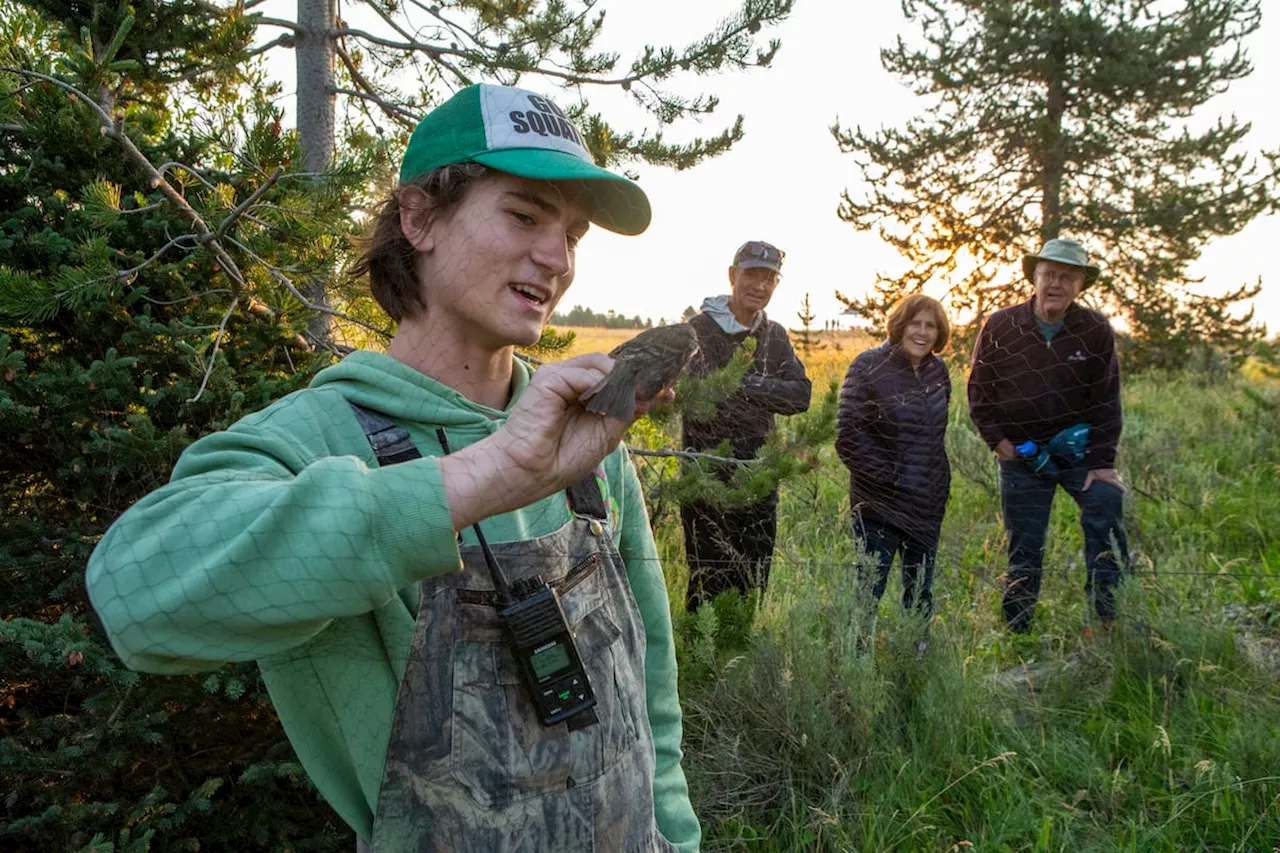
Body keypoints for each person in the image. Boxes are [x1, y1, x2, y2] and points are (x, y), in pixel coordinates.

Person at [86, 84, 700, 853]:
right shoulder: (313, 437)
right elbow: (133, 597)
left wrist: (677, 838)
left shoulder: (586, 435)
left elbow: (651, 696)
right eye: (523, 215)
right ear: (419, 217)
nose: (558, 258)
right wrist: (490, 475)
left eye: (573, 233)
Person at [968, 237, 1129, 633]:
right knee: (1025, 545)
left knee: (1106, 505)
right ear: (1034, 277)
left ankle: (1106, 616)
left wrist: (1103, 462)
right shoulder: (1001, 325)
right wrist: (997, 441)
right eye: (1049, 274)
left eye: (1067, 277)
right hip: (1022, 456)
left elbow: (1107, 398)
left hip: (1078, 454)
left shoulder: (1094, 330)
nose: (1056, 283)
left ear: (1080, 286)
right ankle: (1018, 632)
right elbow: (979, 388)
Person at [680, 240, 811, 612]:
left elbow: (800, 395)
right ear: (732, 276)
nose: (761, 286)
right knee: (707, 580)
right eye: (752, 275)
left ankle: (739, 659)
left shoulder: (775, 334)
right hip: (706, 477)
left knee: (753, 580)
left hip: (758, 477)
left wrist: (740, 384)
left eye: (770, 279)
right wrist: (764, 391)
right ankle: (700, 663)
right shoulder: (700, 329)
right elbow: (702, 393)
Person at [835, 294, 952, 627]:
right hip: (879, 508)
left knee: (919, 598)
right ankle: (855, 667)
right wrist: (894, 481)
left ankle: (913, 663)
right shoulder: (868, 365)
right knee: (866, 595)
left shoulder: (937, 371)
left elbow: (935, 437)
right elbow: (848, 437)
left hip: (927, 506)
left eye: (931, 325)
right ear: (900, 325)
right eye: (915, 323)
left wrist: (935, 483)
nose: (923, 332)